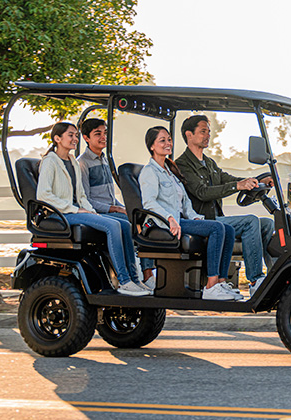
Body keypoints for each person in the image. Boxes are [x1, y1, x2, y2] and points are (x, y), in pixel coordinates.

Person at [37, 122, 148, 296]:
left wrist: (90, 211)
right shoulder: (50, 161)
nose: (75, 139)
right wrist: (76, 210)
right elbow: (43, 195)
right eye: (70, 135)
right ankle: (124, 281)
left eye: (75, 135)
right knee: (112, 226)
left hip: (76, 211)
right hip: (61, 214)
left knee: (125, 225)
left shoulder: (72, 161)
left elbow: (81, 196)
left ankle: (134, 279)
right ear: (57, 139)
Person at [139, 126, 242, 301]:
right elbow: (149, 203)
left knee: (228, 229)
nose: (168, 143)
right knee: (217, 228)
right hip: (165, 223)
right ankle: (211, 285)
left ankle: (221, 282)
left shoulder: (170, 171)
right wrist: (170, 218)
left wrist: (194, 216)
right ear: (152, 146)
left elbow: (185, 202)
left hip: (181, 219)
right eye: (162, 140)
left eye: (169, 139)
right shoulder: (149, 172)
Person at [175, 115, 273, 293]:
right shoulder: (182, 164)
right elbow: (202, 192)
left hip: (218, 219)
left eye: (209, 132)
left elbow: (228, 179)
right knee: (251, 221)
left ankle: (272, 276)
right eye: (203, 132)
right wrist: (237, 185)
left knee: (267, 223)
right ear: (189, 135)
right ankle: (255, 281)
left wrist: (256, 182)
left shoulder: (209, 163)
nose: (207, 136)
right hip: (203, 221)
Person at [77, 118, 155, 289]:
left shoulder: (104, 160)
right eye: (98, 134)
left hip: (111, 209)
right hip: (99, 212)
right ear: (86, 138)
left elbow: (110, 196)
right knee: (126, 224)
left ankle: (143, 275)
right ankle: (127, 278)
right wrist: (116, 209)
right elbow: (86, 200)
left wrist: (125, 207)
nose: (103, 137)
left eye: (105, 133)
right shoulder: (82, 163)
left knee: (143, 219)